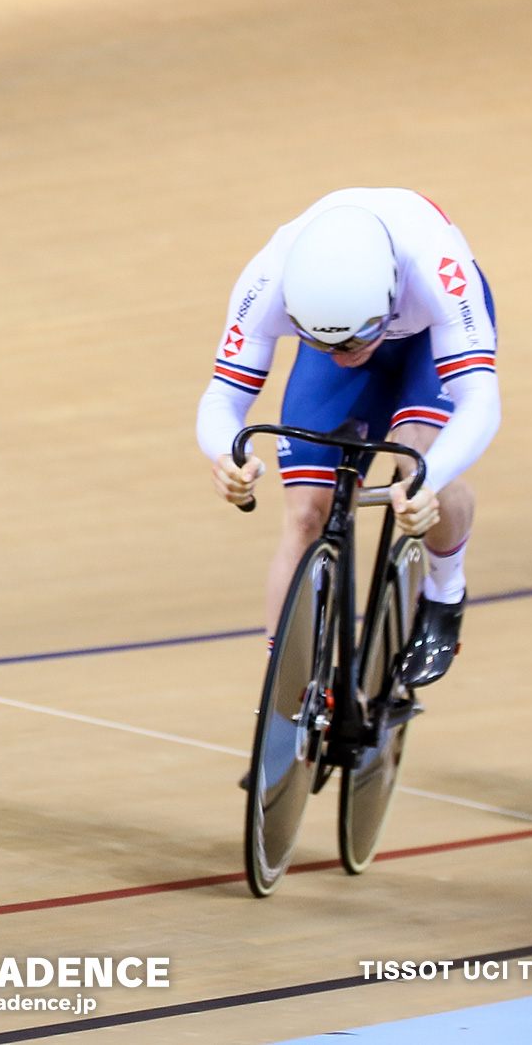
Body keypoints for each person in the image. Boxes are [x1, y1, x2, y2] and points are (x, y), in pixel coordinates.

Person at [200, 189, 500, 688]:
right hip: (354, 316)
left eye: (355, 341)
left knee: (417, 457)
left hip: (430, 337)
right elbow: (222, 398)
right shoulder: (270, 276)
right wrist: (228, 455)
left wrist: (430, 480)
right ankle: (285, 710)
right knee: (305, 516)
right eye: (320, 343)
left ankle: (446, 592)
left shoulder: (439, 270)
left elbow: (481, 402)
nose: (341, 355)